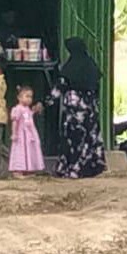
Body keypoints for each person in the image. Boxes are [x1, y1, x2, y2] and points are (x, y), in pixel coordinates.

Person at [40, 37, 106, 178]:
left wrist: (45, 103)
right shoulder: (91, 66)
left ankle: (71, 169)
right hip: (90, 110)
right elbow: (97, 90)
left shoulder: (69, 68)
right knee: (89, 139)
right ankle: (89, 168)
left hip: (74, 112)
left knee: (73, 139)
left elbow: (59, 89)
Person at [9, 85, 45, 178]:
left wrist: (36, 109)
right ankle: (17, 170)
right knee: (20, 151)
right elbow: (15, 121)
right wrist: (14, 133)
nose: (29, 99)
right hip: (21, 135)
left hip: (29, 134)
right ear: (19, 97)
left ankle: (28, 169)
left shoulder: (28, 109)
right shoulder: (17, 109)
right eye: (27, 96)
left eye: (30, 97)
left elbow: (30, 115)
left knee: (29, 150)